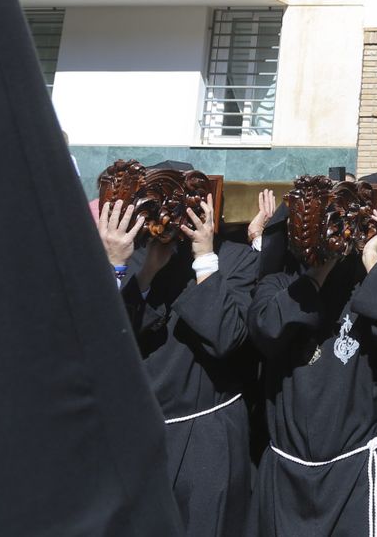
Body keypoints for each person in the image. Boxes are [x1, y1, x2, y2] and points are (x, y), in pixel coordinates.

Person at [250, 206, 377, 536]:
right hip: (289, 473)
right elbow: (267, 328)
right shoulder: (277, 284)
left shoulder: (361, 286)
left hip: (356, 472)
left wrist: (371, 255)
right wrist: (315, 274)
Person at [98, 196, 258, 537]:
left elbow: (226, 337)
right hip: (140, 437)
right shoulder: (133, 255)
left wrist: (203, 258)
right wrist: (139, 271)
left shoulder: (235, 258)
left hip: (207, 435)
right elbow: (103, 344)